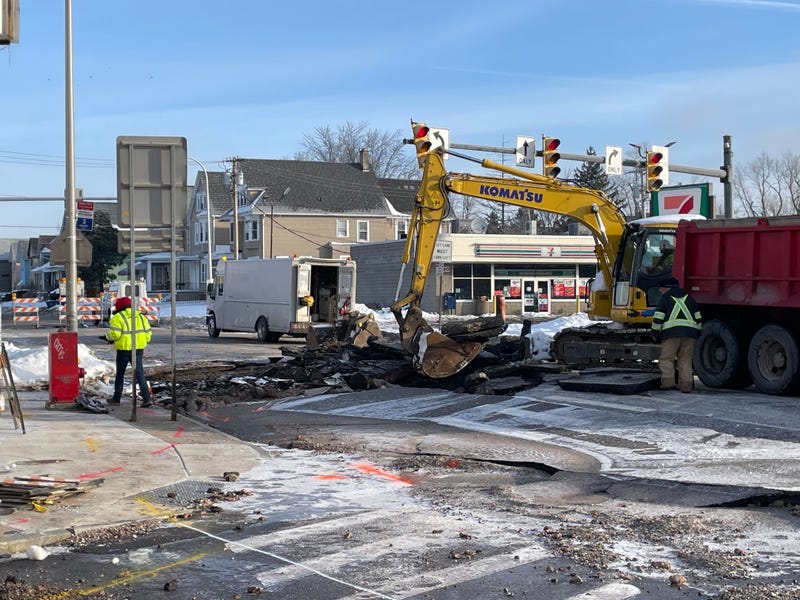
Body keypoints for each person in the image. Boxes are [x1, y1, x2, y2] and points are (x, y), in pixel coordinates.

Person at [651, 277, 702, 393]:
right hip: (689, 334)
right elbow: (698, 317)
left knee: (666, 359)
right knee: (685, 359)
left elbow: (658, 317)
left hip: (671, 334)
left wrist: (655, 332)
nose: (660, 291)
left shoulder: (665, 298)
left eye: (661, 289)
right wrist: (698, 332)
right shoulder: (689, 298)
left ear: (666, 288)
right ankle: (686, 385)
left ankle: (668, 383)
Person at [104, 296, 153, 406]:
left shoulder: (117, 317)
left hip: (124, 349)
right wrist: (143, 342)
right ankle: (146, 398)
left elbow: (115, 334)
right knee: (139, 373)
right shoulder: (141, 316)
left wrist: (107, 337)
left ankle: (116, 398)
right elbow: (148, 332)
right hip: (138, 348)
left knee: (120, 374)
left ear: (119, 307)